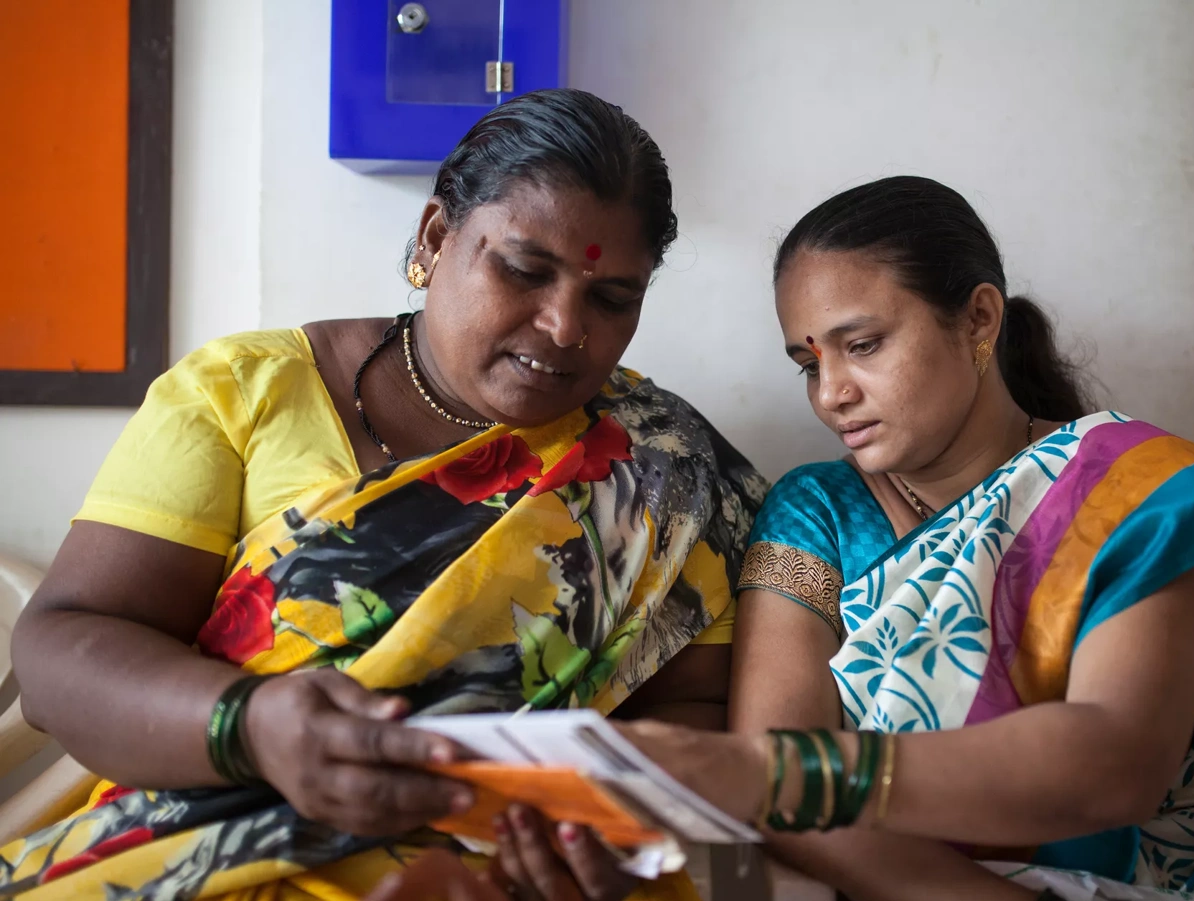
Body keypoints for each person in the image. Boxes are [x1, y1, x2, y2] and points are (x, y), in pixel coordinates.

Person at [2, 89, 767, 901]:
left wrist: (610, 832)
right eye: (523, 269)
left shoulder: (667, 470)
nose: (565, 327)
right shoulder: (246, 391)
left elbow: (697, 720)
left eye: (612, 298)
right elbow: (63, 651)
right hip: (200, 859)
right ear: (437, 237)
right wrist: (253, 725)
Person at [614, 176, 1194, 900]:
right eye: (806, 360)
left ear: (978, 318)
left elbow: (1112, 763)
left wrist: (782, 774)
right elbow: (785, 802)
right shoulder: (816, 511)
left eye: (862, 345)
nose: (830, 392)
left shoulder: (1129, 493)